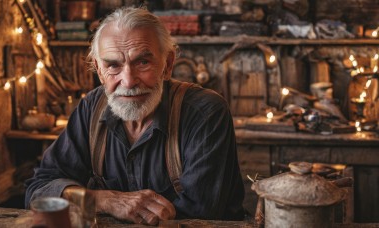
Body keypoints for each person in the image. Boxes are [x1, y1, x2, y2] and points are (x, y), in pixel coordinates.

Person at [25, 6, 245, 225]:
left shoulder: (205, 112)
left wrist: (82, 201)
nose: (128, 81)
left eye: (142, 62)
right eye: (113, 65)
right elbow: (39, 190)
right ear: (99, 71)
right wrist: (104, 200)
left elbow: (198, 217)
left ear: (167, 65)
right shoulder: (91, 108)